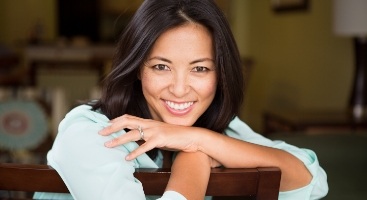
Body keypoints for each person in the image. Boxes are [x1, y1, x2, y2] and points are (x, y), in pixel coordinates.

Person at [34, 0, 328, 199]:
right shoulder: (89, 133)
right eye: (161, 66)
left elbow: (310, 178)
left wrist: (197, 141)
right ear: (138, 68)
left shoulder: (213, 130)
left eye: (199, 68)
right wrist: (196, 158)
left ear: (220, 72)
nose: (179, 89)